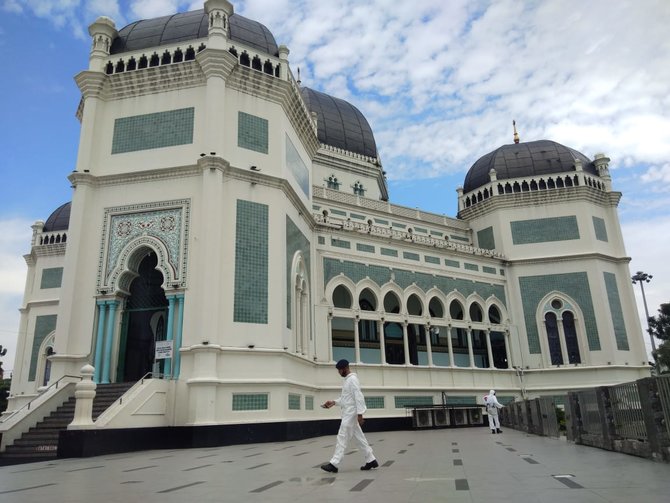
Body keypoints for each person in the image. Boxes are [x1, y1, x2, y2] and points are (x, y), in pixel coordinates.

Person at [320, 359, 379, 473]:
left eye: (339, 370)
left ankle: (334, 463)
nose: (338, 372)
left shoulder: (352, 380)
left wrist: (360, 414)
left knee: (342, 437)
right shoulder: (348, 380)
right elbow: (346, 399)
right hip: (349, 413)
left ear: (345, 368)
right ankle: (371, 460)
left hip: (351, 414)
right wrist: (333, 402)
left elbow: (358, 396)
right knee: (359, 438)